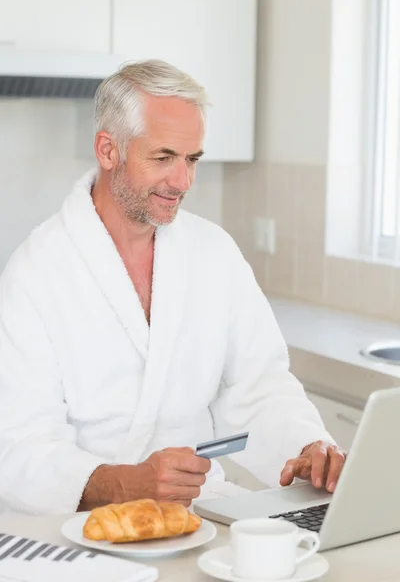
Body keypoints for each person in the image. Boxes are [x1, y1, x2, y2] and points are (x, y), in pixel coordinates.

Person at [0, 60, 345, 515]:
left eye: (192, 159)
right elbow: (19, 446)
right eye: (163, 157)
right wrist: (125, 484)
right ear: (108, 150)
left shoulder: (213, 252)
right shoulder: (35, 273)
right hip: (81, 525)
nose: (182, 181)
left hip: (203, 513)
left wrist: (307, 446)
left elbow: (258, 385)